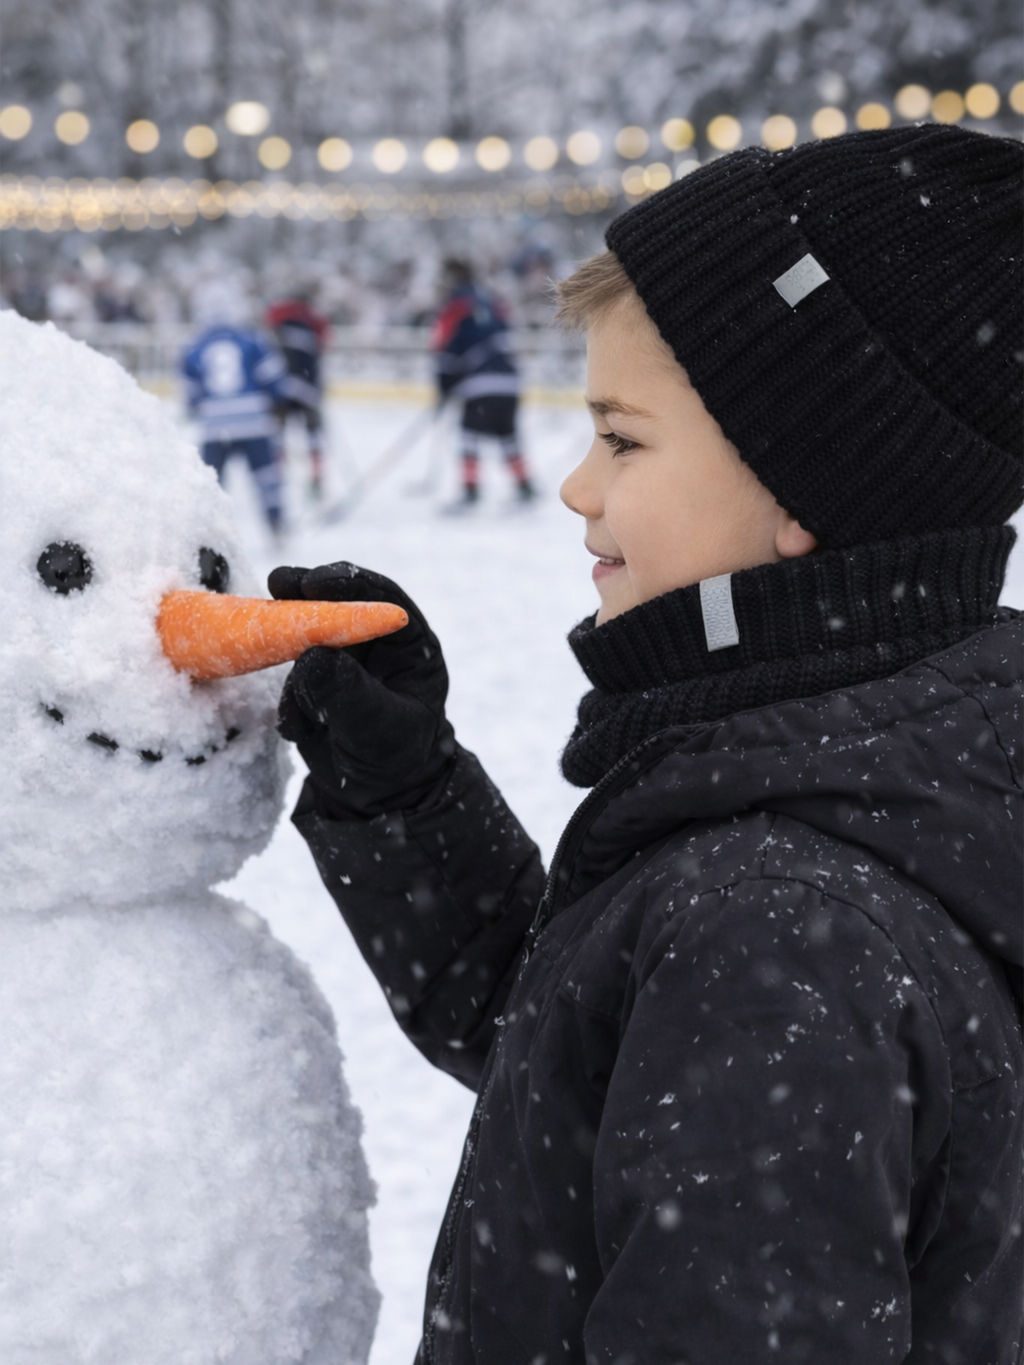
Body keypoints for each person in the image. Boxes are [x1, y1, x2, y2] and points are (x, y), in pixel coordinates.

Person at [269, 123, 1023, 1362]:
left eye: (620, 438)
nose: (577, 486)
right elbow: (580, 1051)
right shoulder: (878, 771)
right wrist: (403, 794)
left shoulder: (773, 918)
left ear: (805, 491)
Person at [181, 299, 293, 541]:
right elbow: (273, 378)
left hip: (215, 426)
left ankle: (208, 534)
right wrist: (280, 405)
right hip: (253, 420)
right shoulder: (252, 340)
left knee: (212, 483)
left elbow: (191, 395)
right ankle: (276, 524)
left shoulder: (195, 346)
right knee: (266, 476)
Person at [431, 257, 536, 508]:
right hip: (509, 380)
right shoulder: (492, 303)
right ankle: (524, 484)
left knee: (469, 435)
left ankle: (471, 489)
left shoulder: (454, 307)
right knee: (507, 432)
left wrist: (443, 388)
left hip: (478, 383)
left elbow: (445, 352)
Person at [264, 289, 332, 499]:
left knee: (277, 435)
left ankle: (277, 478)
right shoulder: (314, 323)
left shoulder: (277, 324)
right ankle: (316, 477)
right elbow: (321, 351)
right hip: (309, 389)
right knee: (313, 436)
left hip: (281, 389)